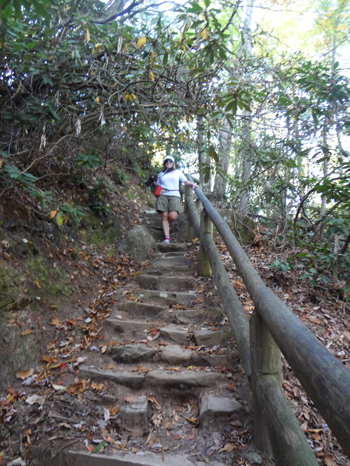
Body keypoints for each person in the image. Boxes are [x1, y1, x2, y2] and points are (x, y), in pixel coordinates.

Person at [153, 156, 198, 243]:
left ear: (173, 163)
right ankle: (167, 238)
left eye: (170, 161)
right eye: (166, 161)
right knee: (164, 216)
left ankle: (166, 225)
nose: (168, 162)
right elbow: (158, 185)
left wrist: (192, 184)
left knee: (172, 217)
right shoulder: (161, 174)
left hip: (174, 195)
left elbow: (185, 181)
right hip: (163, 195)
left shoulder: (177, 172)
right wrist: (152, 181)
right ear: (164, 163)